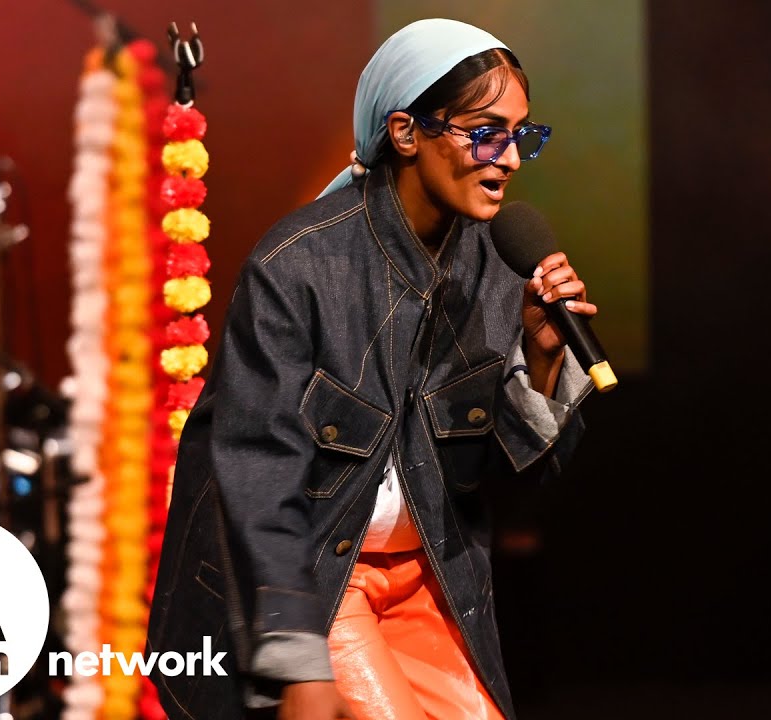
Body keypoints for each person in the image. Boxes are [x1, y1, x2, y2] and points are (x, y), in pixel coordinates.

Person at [147, 18, 597, 720]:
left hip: (427, 577)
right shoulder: (298, 267)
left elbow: (509, 496)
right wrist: (299, 659)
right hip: (322, 579)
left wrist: (540, 363)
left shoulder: (496, 268)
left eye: (520, 135)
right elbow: (260, 478)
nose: (509, 158)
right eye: (486, 133)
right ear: (406, 132)